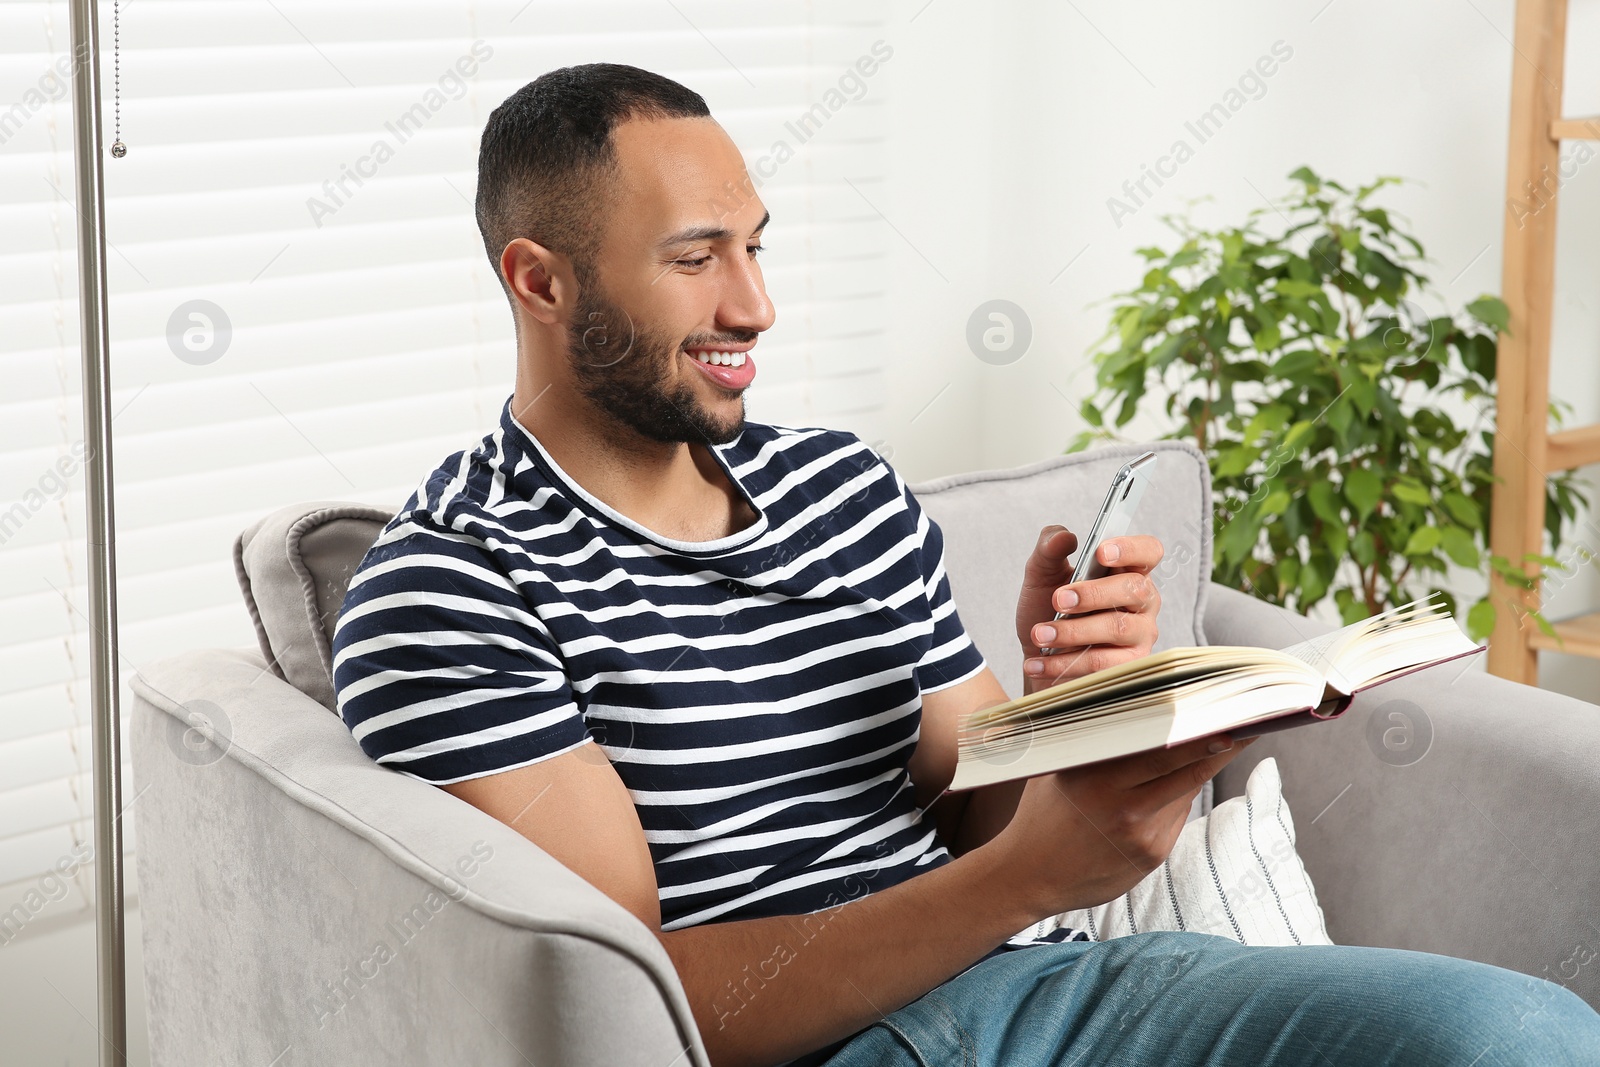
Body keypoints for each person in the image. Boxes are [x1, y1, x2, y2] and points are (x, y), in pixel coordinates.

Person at [331, 64, 1600, 1067]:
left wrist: (1071, 705)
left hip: (1053, 984)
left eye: (757, 246)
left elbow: (974, 794)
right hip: (823, 1046)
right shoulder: (450, 586)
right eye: (694, 255)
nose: (754, 306)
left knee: (1528, 1037)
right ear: (538, 280)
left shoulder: (839, 486)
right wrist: (1036, 871)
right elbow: (642, 1011)